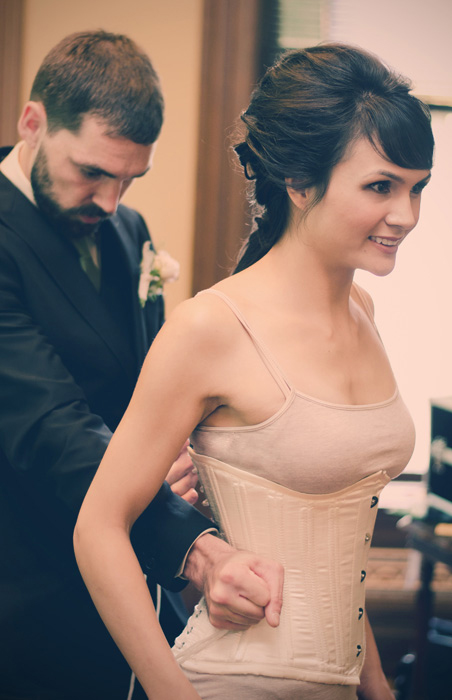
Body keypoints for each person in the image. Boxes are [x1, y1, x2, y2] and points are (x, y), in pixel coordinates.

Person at [74, 42, 434, 699]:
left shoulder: (363, 309)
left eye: (417, 189)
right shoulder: (212, 328)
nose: (406, 215)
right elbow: (98, 527)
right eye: (381, 186)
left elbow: (337, 543)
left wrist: (377, 684)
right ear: (298, 183)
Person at [0, 30, 284, 700]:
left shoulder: (127, 234)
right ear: (32, 123)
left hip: (125, 573)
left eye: (131, 179)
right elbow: (51, 426)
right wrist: (192, 545)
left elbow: (144, 390)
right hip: (24, 578)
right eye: (93, 172)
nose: (111, 201)